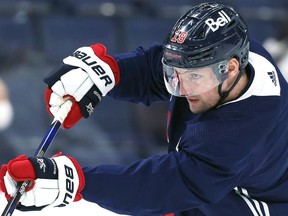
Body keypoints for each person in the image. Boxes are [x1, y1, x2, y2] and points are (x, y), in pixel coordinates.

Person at [1, 2, 288, 216]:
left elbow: (165, 184)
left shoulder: (241, 133)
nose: (182, 88)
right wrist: (110, 73)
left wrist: (80, 182)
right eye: (176, 74)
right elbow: (155, 69)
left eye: (195, 77)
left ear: (231, 69)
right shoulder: (240, 58)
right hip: (206, 195)